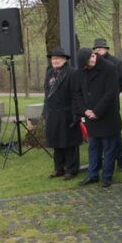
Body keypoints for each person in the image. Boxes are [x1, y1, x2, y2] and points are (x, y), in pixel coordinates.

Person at [74, 47, 122, 187]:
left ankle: (107, 176)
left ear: (94, 54)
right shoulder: (81, 72)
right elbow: (78, 93)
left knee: (109, 147)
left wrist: (96, 111)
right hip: (90, 116)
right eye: (88, 61)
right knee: (93, 146)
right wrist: (85, 111)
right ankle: (93, 174)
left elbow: (111, 93)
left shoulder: (110, 68)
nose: (91, 61)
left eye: (92, 57)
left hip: (107, 115)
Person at [42, 47, 82, 179]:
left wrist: (76, 114)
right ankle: (58, 169)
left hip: (67, 113)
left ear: (64, 59)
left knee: (69, 143)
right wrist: (45, 111)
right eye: (53, 58)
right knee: (56, 143)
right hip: (52, 114)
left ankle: (71, 170)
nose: (55, 60)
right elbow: (47, 94)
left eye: (58, 58)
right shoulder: (49, 73)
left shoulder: (72, 73)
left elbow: (76, 95)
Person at [93, 38, 122, 173]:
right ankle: (102, 161)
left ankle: (120, 160)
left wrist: (114, 91)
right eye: (96, 48)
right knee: (98, 135)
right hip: (97, 104)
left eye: (101, 48)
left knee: (115, 133)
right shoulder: (93, 63)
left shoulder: (115, 62)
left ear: (107, 49)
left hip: (112, 103)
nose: (98, 50)